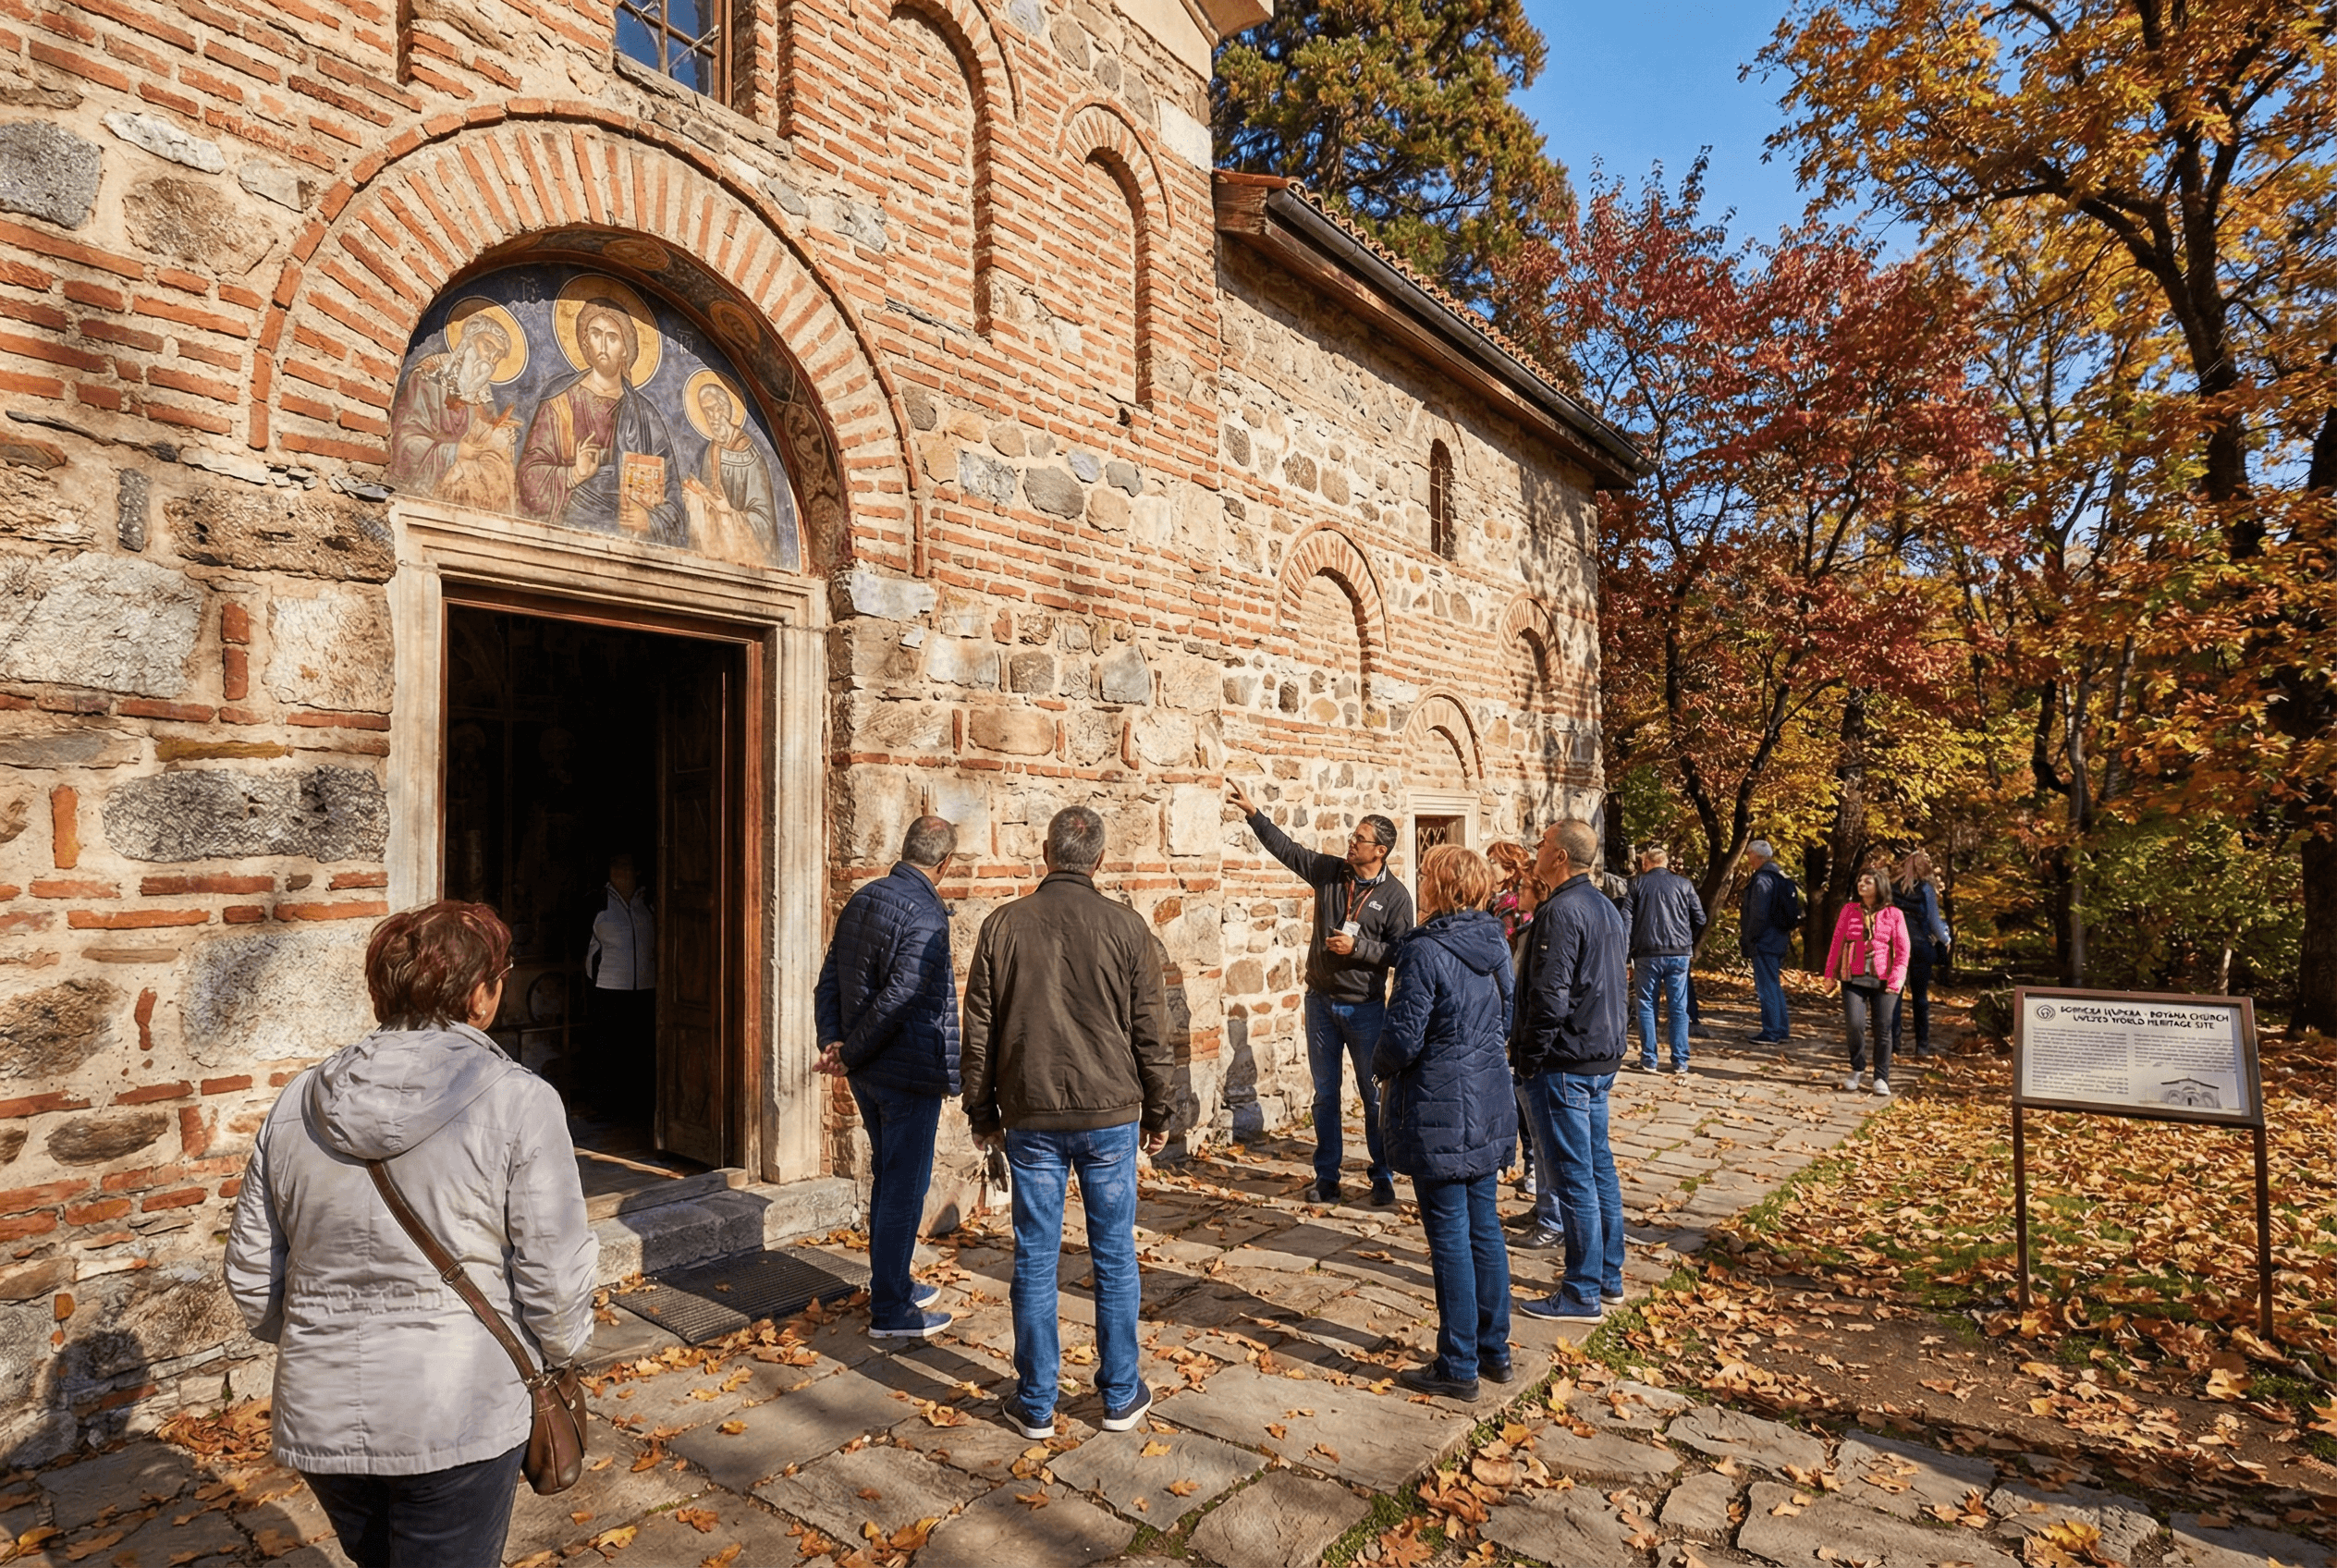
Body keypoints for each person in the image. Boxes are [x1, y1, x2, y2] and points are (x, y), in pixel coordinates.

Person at [224, 902, 595, 1568]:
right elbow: (555, 1273)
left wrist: (324, 1336)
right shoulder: (519, 1101)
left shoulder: (296, 1101)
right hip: (457, 1409)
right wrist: (561, 1353)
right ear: (482, 993)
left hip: (323, 1403)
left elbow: (254, 1278)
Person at [961, 806, 1173, 1441]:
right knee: (1113, 1254)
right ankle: (1119, 1392)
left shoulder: (1003, 926)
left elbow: (979, 1031)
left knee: (1034, 1255)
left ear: (1046, 853)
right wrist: (1159, 1112)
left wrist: (981, 1112)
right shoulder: (1128, 929)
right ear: (1099, 860)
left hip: (1033, 1112)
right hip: (1109, 1113)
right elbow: (1152, 1033)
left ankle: (1036, 1401)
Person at [1227, 779, 1413, 1207]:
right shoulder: (1331, 873)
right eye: (1353, 837)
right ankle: (1326, 1176)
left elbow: (1404, 953)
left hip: (1366, 1009)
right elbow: (1288, 849)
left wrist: (1359, 948)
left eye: (1360, 839)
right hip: (1321, 1004)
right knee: (1325, 1096)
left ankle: (1381, 1176)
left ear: (1379, 851)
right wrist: (1254, 813)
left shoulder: (1396, 897)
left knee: (1373, 1098)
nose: (1351, 844)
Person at [1375, 845, 1517, 1399]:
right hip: (1484, 1097)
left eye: (1427, 876)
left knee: (1452, 1235)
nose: (1421, 882)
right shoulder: (1493, 943)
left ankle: (1459, 1363)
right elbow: (1505, 1018)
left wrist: (1379, 1066)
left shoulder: (1426, 952)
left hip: (1439, 1103)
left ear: (1443, 888)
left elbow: (1404, 1035)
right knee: (1484, 1226)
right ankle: (1494, 1351)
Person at [814, 815, 962, 1340]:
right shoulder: (927, 915)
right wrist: (847, 1051)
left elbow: (829, 977)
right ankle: (892, 1311)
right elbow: (899, 998)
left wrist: (832, 1042)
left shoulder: (864, 898)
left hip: (869, 1072)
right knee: (904, 1188)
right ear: (944, 863)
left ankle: (891, 1282)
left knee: (889, 1179)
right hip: (905, 1074)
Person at [1511, 820, 1629, 1323]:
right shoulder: (1603, 905)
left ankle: (1582, 1291)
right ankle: (1608, 1276)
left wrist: (1528, 1059)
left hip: (1567, 1061)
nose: (1536, 850)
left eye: (1543, 844)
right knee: (1598, 1168)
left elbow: (1551, 997)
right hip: (1598, 1055)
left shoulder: (1561, 911)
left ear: (1559, 857)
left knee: (1575, 1176)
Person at [517, 296, 682, 542]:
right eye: (595, 334)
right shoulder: (559, 400)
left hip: (629, 538)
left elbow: (673, 495)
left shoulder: (645, 415)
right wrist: (574, 474)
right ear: (585, 342)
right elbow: (528, 476)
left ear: (625, 349)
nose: (603, 345)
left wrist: (650, 519)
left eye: (612, 338)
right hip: (568, 532)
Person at [1486, 841, 1545, 1219]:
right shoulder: (1494, 902)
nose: (1486, 865)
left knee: (1520, 1090)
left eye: (1492, 861)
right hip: (1493, 993)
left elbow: (1513, 957)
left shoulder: (1514, 908)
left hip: (1510, 995)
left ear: (1508, 868)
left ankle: (1533, 1161)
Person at [1823, 868, 1912, 1096]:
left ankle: (1881, 1077)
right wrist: (1829, 974)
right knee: (1854, 1024)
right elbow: (1836, 942)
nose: (1862, 884)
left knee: (1883, 1029)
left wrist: (1898, 978)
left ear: (1879, 886)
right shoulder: (1849, 910)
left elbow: (1903, 949)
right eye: (1860, 881)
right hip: (1852, 976)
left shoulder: (1894, 914)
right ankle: (1857, 1067)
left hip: (1885, 980)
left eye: (1868, 881)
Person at [1623, 846, 1706, 1075]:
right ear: (1666, 862)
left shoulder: (1637, 884)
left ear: (1645, 863)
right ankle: (1680, 1061)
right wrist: (1686, 936)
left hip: (1647, 952)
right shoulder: (1684, 884)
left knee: (1646, 1005)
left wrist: (1626, 948)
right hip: (1679, 952)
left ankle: (1649, 1059)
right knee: (1679, 1007)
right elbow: (1700, 917)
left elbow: (1626, 917)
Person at [584, 853, 655, 1112]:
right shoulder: (598, 902)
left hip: (646, 986)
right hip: (608, 986)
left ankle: (636, 1109)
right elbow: (581, 942)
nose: (619, 871)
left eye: (625, 865)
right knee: (606, 1049)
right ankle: (604, 1108)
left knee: (639, 1049)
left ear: (637, 870)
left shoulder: (649, 902)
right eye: (614, 865)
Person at [1739, 840, 1802, 1044]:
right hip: (1779, 937)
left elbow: (1759, 913)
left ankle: (1771, 1031)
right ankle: (1781, 1029)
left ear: (1756, 855)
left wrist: (1750, 937)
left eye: (1749, 854)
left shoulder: (1762, 879)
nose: (1748, 859)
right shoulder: (1781, 877)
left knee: (1766, 986)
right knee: (1774, 984)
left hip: (1764, 939)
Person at [1890, 850, 1951, 1059]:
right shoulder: (1926, 888)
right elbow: (1934, 922)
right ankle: (1922, 1046)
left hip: (1895, 946)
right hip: (1919, 946)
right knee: (1920, 996)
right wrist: (1946, 940)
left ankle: (1893, 1045)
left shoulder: (1891, 888)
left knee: (1895, 995)